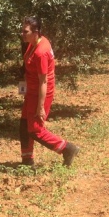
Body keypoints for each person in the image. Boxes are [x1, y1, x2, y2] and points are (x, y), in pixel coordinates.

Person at [19, 16, 80, 168]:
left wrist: (40, 107)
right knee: (24, 124)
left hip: (41, 92)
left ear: (36, 32)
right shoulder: (33, 43)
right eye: (22, 30)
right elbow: (26, 70)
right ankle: (27, 160)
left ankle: (67, 148)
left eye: (25, 31)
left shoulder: (41, 52)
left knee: (35, 130)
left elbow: (43, 82)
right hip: (32, 90)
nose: (22, 34)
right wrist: (23, 90)